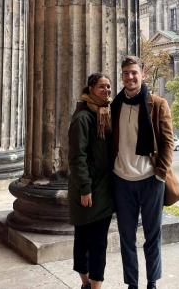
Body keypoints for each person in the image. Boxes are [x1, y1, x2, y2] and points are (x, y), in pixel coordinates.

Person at [112, 56, 174, 289]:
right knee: (126, 238)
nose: (130, 77)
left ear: (143, 74)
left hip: (150, 180)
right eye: (126, 73)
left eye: (134, 73)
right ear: (122, 76)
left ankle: (152, 282)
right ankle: (132, 284)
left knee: (152, 236)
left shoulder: (157, 104)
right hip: (122, 180)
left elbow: (167, 142)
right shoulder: (115, 105)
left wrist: (160, 174)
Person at [68, 73, 113, 289]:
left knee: (98, 241)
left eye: (109, 87)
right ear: (91, 89)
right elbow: (77, 156)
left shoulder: (105, 113)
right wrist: (85, 188)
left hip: (104, 190)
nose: (107, 90)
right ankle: (86, 283)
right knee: (84, 239)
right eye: (102, 87)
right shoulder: (83, 118)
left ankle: (92, 286)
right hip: (87, 189)